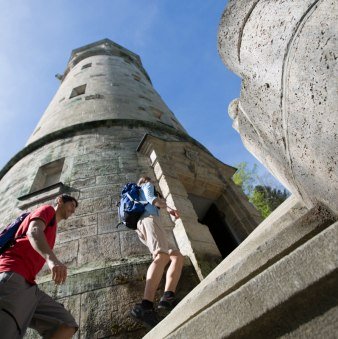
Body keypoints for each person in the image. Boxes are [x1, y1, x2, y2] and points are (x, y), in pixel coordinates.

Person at [0, 194, 79, 339]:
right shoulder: (47, 210)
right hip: (14, 274)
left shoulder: (53, 229)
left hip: (29, 285)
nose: (73, 210)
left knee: (66, 324)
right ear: (60, 201)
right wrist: (52, 260)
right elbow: (33, 231)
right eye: (72, 205)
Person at [131, 176, 184, 328]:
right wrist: (168, 207)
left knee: (177, 256)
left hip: (145, 224)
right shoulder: (146, 186)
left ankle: (168, 297)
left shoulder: (137, 196)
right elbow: (151, 198)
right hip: (149, 219)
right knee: (161, 256)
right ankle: (145, 306)